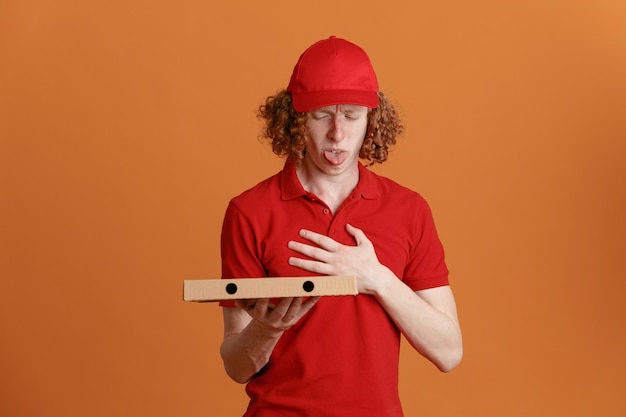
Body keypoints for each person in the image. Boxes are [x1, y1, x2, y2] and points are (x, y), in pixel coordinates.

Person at [218, 36, 462, 417]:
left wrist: (376, 278)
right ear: (296, 119)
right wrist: (265, 330)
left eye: (351, 115)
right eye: (321, 115)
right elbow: (236, 367)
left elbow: (449, 352)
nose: (337, 133)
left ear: (372, 118)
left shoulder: (409, 209)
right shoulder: (249, 211)